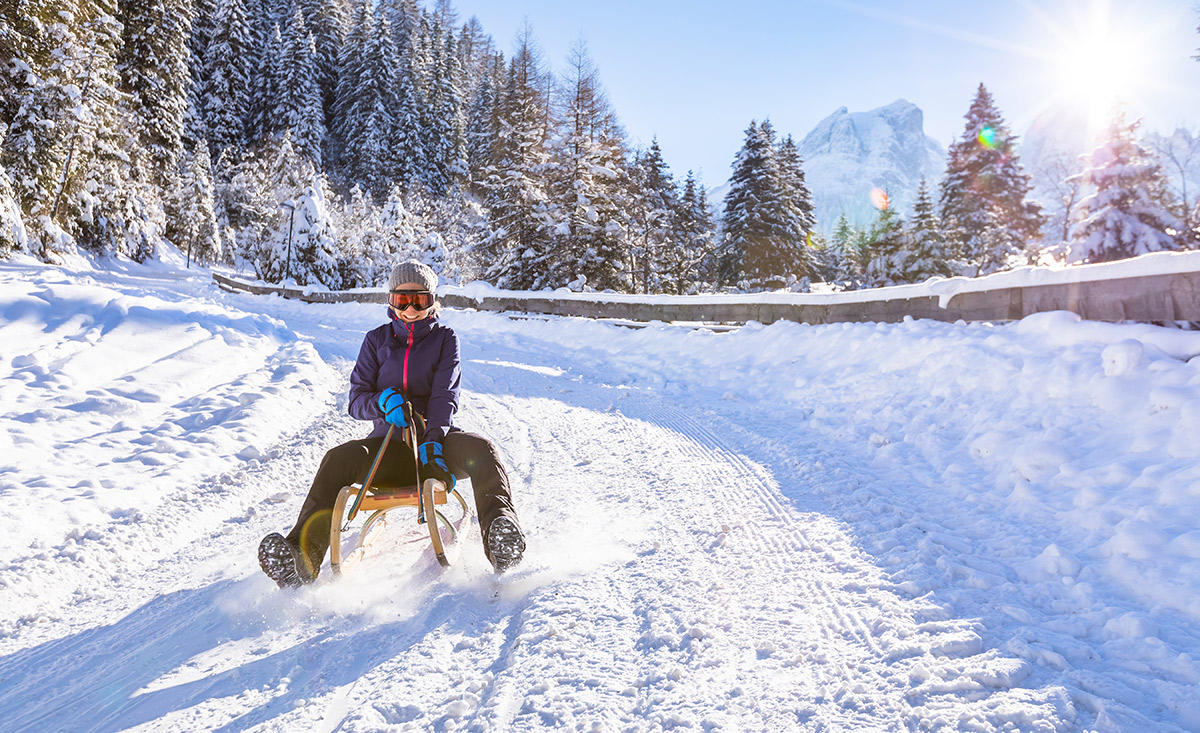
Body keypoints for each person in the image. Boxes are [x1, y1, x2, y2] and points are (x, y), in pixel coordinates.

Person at [258, 260, 525, 587]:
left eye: (420, 300)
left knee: (482, 449)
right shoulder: (376, 341)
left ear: (433, 302)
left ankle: (501, 535)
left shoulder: (445, 340)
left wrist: (433, 442)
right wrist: (383, 402)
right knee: (337, 459)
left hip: (436, 448)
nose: (411, 309)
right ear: (391, 301)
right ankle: (302, 556)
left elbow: (445, 397)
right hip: (390, 450)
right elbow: (356, 401)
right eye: (402, 300)